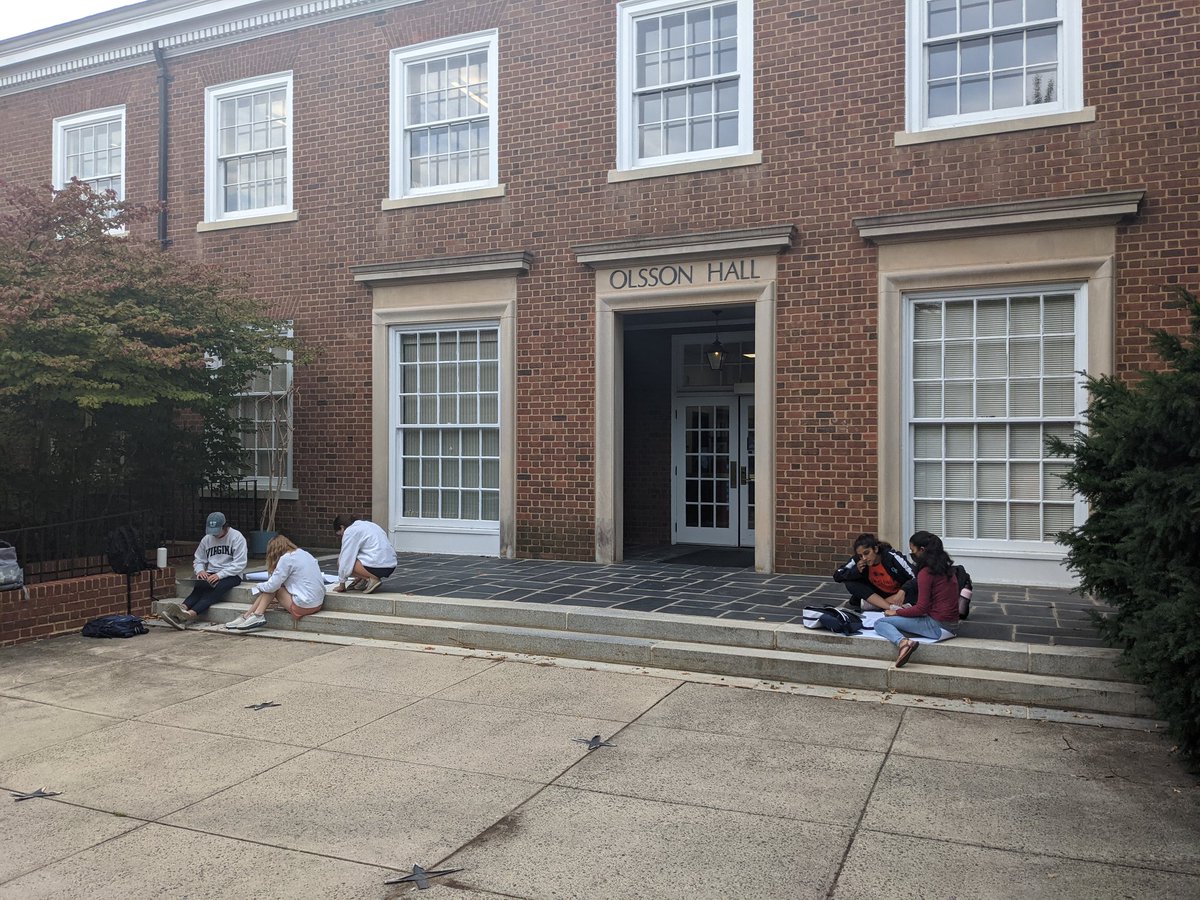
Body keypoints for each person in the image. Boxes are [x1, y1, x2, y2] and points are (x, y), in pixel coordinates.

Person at [874, 530, 960, 668]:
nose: (912, 554)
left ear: (922, 550)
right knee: (899, 623)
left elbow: (921, 608)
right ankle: (904, 638)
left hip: (938, 626)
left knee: (881, 623)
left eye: (912, 550)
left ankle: (903, 643)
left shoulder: (926, 572)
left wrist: (897, 612)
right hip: (951, 624)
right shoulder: (947, 568)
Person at [159, 512, 246, 629]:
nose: (214, 535)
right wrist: (200, 571)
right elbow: (199, 559)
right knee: (199, 587)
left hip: (232, 574)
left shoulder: (237, 537)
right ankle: (181, 609)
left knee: (213, 590)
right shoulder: (207, 539)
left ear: (225, 527)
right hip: (211, 572)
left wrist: (220, 575)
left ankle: (189, 615)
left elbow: (239, 564)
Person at [226, 535, 325, 631]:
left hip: (304, 606)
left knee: (273, 588)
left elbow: (272, 586)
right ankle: (247, 616)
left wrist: (258, 586)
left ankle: (257, 615)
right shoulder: (304, 554)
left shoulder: (286, 558)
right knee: (272, 588)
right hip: (318, 603)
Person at [831, 533, 915, 613]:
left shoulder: (891, 557)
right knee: (850, 582)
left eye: (867, 553)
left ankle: (876, 605)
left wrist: (903, 590)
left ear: (875, 549)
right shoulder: (858, 560)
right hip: (876, 594)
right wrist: (856, 571)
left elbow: (915, 576)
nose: (864, 558)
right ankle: (890, 607)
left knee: (919, 589)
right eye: (861, 555)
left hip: (897, 594)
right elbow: (837, 575)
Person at [331, 514, 397, 594]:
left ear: (342, 527)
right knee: (356, 556)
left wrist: (342, 584)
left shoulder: (350, 531)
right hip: (390, 566)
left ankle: (371, 579)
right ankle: (364, 580)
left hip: (378, 566)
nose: (341, 537)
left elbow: (345, 559)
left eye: (340, 535)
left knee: (341, 561)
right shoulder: (369, 525)